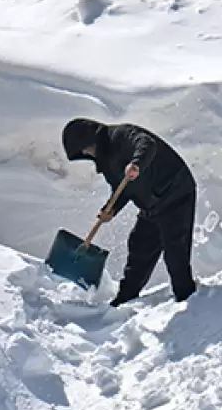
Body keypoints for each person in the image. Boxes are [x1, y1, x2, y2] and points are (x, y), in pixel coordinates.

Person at [62, 118, 198, 306]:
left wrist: (136, 163)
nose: (86, 153)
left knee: (175, 251)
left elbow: (146, 144)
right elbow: (122, 188)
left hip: (175, 193)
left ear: (92, 140)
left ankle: (188, 299)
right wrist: (111, 209)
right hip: (151, 205)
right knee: (139, 247)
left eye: (85, 148)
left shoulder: (121, 135)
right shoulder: (107, 161)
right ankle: (125, 298)